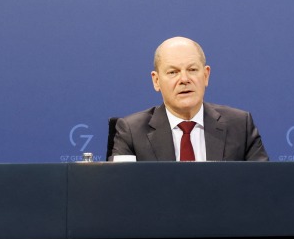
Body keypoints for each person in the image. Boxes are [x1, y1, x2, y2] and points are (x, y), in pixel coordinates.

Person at [109, 37, 268, 161]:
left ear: (206, 75)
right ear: (156, 81)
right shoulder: (132, 132)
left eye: (192, 70)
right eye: (173, 72)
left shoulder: (239, 126)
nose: (184, 79)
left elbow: (264, 185)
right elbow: (120, 191)